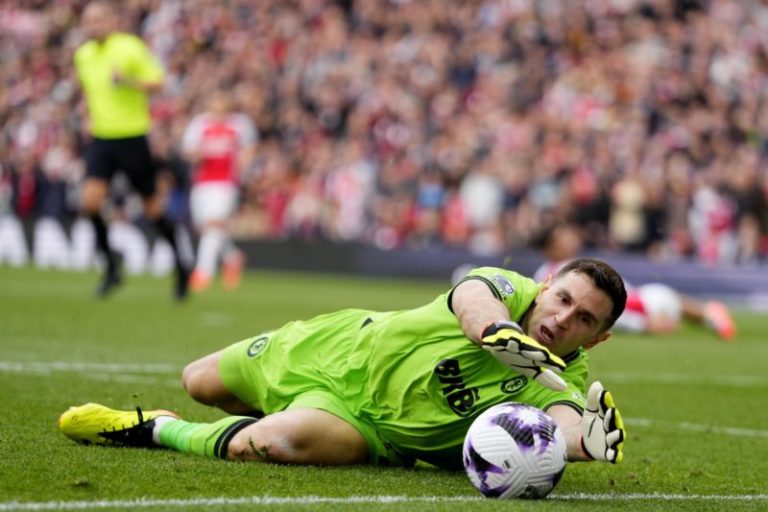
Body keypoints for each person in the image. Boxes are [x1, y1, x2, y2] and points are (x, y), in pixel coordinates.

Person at [59, 258, 628, 469]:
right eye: (563, 299)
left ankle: (154, 427)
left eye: (584, 320)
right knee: (199, 381)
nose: (563, 318)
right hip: (336, 346)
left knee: (263, 443)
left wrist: (586, 443)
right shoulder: (509, 286)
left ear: (598, 340)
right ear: (548, 285)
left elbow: (565, 420)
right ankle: (268, 404)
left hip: (365, 426)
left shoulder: (562, 378)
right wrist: (493, 332)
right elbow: (471, 298)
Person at [74, 1, 190, 299]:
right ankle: (111, 265)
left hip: (132, 137)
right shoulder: (83, 55)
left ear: (112, 20)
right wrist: (89, 118)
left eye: (99, 18)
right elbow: (91, 93)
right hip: (101, 139)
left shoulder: (129, 48)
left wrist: (127, 81)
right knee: (89, 203)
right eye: (89, 20)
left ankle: (181, 265)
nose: (94, 24)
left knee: (152, 209)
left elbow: (159, 82)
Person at [531, 224, 737, 340]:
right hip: (637, 306)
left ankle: (711, 316)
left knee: (672, 299)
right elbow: (598, 305)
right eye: (562, 240)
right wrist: (643, 324)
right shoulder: (560, 270)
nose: (569, 242)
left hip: (636, 300)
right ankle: (712, 316)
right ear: (549, 247)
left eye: (569, 237)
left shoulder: (557, 268)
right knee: (670, 299)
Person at [181, 91, 257, 292]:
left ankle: (202, 273)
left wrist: (244, 165)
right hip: (202, 183)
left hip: (225, 183)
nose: (218, 112)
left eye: (222, 108)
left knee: (213, 225)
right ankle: (232, 257)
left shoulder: (240, 124)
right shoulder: (200, 124)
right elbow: (188, 150)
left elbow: (249, 149)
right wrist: (196, 155)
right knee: (206, 227)